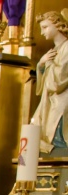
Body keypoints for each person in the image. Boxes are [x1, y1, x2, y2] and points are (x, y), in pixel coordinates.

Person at [30, 10, 68, 155]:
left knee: (57, 131)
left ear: (57, 25)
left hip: (62, 100)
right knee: (37, 128)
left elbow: (59, 80)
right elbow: (43, 85)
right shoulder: (54, 50)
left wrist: (48, 63)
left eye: (45, 27)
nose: (42, 32)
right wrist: (41, 64)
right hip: (49, 100)